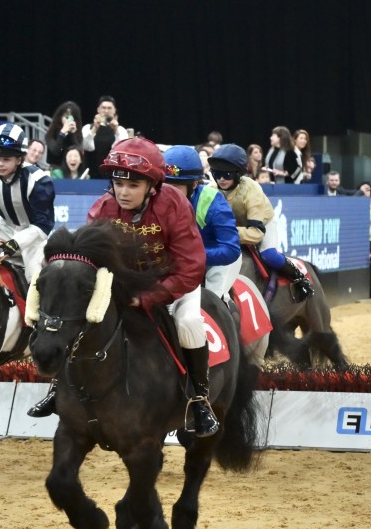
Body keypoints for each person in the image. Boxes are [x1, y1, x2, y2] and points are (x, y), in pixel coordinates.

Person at [30, 137, 218, 437]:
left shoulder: (175, 205)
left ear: (152, 186)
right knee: (82, 321)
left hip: (171, 285)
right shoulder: (102, 208)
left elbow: (191, 267)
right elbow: (86, 258)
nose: (123, 192)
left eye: (133, 186)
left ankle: (199, 400)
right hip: (121, 289)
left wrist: (150, 296)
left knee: (189, 322)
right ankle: (59, 388)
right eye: (119, 183)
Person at [208, 144, 314, 302]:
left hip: (261, 224)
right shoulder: (211, 188)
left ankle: (300, 278)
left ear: (238, 174)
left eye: (227, 174)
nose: (221, 179)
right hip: (233, 226)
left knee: (269, 255)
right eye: (216, 174)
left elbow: (256, 234)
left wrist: (228, 233)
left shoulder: (252, 190)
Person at [0, 122, 55, 283]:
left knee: (34, 276)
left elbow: (43, 225)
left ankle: (37, 308)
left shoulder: (39, 180)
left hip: (33, 236)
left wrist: (15, 243)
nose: (0, 164)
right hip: (4, 229)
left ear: (20, 159)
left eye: (6, 159)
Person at [163, 145, 241, 300]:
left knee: (211, 300)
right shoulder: (154, 198)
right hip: (176, 262)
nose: (168, 193)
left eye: (176, 187)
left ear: (193, 185)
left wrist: (188, 255)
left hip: (215, 262)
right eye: (165, 185)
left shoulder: (214, 203)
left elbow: (231, 250)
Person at [81, 95, 128, 172]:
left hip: (112, 173)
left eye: (109, 108)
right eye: (103, 108)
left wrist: (116, 131)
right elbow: (86, 146)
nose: (106, 111)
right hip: (91, 173)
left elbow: (122, 151)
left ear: (114, 110)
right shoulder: (87, 128)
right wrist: (94, 129)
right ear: (98, 110)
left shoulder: (121, 130)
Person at [45, 101, 83, 173]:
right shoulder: (51, 133)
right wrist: (62, 133)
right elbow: (55, 151)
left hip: (71, 171)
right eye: (67, 117)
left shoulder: (77, 133)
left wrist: (73, 134)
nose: (69, 120)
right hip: (55, 169)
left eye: (72, 117)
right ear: (60, 117)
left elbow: (79, 152)